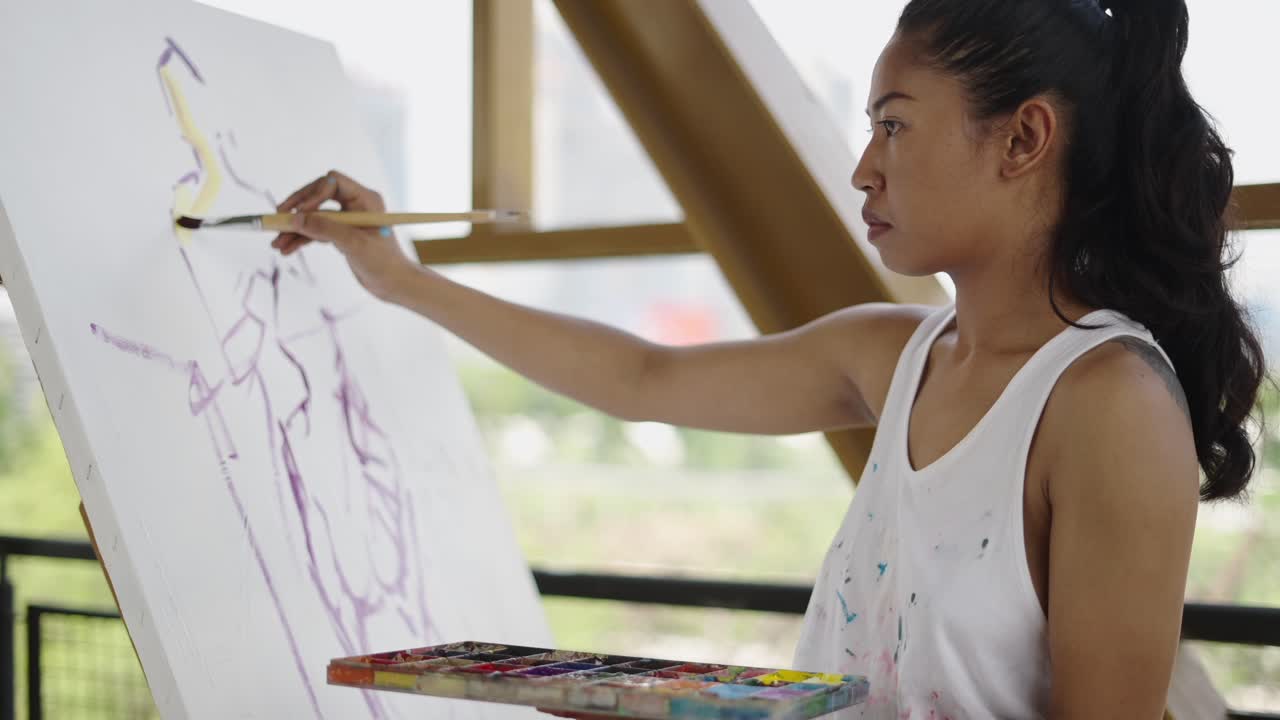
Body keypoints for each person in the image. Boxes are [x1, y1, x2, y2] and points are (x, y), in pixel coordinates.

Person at [270, 0, 1265, 717]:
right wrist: (396, 278)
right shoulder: (895, 354)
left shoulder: (1107, 403)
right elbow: (642, 379)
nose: (862, 168)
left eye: (893, 124)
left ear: (1022, 139)